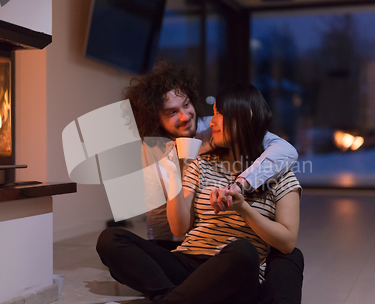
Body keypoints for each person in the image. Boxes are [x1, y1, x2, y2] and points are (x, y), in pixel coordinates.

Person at [95, 84, 304, 304]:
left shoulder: (281, 174)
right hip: (189, 263)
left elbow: (288, 243)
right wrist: (174, 171)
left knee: (243, 251)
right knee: (111, 239)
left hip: (236, 276)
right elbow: (180, 228)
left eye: (218, 114)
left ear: (245, 117)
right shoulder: (201, 163)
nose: (211, 122)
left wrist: (243, 209)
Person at [122, 61, 299, 249]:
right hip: (190, 235)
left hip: (229, 236)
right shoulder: (154, 148)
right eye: (172, 112)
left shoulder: (214, 128)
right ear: (155, 119)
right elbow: (157, 211)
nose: (185, 116)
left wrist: (241, 184)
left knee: (284, 259)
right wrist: (159, 253)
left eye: (186, 104)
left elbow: (284, 149)